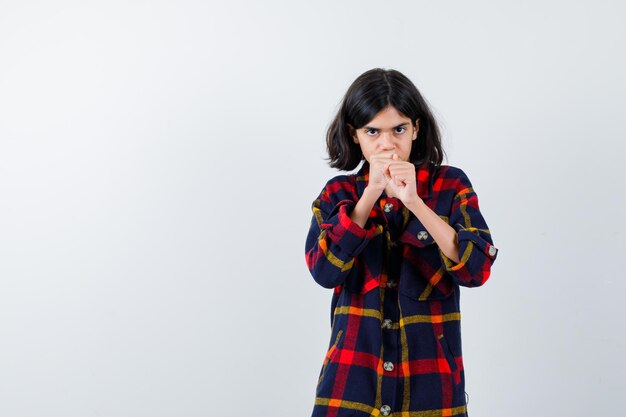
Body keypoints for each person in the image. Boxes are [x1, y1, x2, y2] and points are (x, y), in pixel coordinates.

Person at [304, 68, 499, 417]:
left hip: (431, 390)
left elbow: (476, 269)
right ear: (355, 135)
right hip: (350, 385)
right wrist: (370, 195)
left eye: (398, 129)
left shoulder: (450, 186)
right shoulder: (339, 193)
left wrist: (415, 204)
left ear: (416, 128)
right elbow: (324, 271)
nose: (387, 144)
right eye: (372, 131)